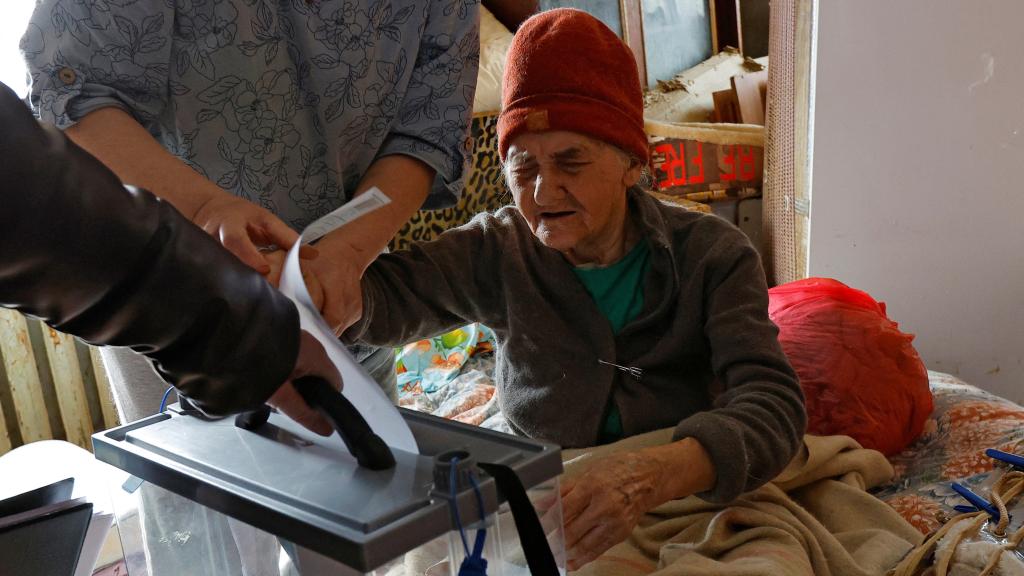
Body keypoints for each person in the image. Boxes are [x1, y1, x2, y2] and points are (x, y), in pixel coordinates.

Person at [340, 9, 807, 570]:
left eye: (571, 161)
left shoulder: (714, 254)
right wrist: (319, 283)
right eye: (523, 164)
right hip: (544, 488)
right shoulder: (496, 249)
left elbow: (773, 404)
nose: (543, 188)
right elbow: (390, 299)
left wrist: (653, 473)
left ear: (633, 163)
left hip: (681, 492)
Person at [22, 0, 480, 419]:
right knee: (203, 487)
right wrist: (205, 208)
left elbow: (427, 129)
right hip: (160, 278)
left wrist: (344, 255)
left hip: (338, 296)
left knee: (362, 484)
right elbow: (71, 91)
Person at [0, 82, 340, 435]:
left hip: (240, 314)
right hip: (193, 306)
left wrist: (350, 252)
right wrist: (240, 333)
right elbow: (66, 95)